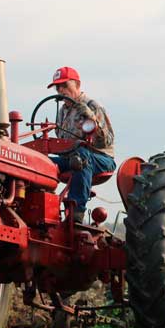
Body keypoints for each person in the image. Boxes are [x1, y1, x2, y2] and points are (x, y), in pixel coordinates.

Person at [46, 66, 116, 223]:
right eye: (58, 87)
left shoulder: (92, 106)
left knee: (81, 156)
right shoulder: (62, 111)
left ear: (77, 85)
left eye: (65, 86)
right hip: (71, 157)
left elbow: (107, 140)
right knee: (42, 162)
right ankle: (44, 211)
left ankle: (76, 213)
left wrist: (91, 118)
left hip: (101, 158)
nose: (61, 91)